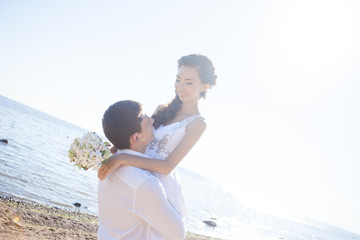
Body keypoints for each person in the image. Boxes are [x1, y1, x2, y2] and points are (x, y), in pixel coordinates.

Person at [98, 54, 217, 218]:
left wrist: (123, 158)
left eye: (188, 83)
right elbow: (138, 137)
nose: (180, 87)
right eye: (178, 80)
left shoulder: (197, 124)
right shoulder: (162, 110)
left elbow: (167, 166)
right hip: (134, 173)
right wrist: (115, 150)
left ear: (205, 86)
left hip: (159, 185)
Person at [98, 100, 186, 240]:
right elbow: (177, 234)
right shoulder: (144, 182)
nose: (152, 120)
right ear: (136, 138)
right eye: (146, 122)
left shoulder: (108, 163)